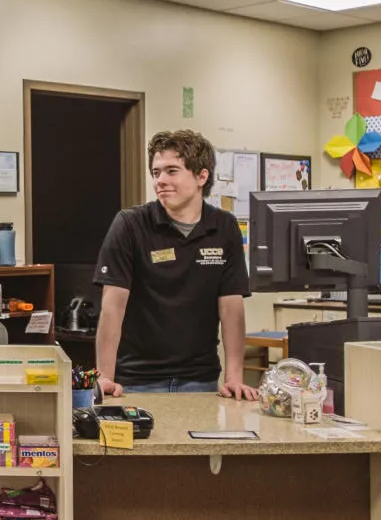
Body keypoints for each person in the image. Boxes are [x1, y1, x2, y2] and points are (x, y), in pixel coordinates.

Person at [93, 129, 258, 400]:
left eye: (172, 171)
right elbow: (113, 306)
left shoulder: (224, 227)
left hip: (200, 379)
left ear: (201, 176)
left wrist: (234, 379)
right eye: (156, 172)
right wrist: (105, 378)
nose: (160, 181)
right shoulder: (130, 224)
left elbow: (231, 307)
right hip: (136, 380)